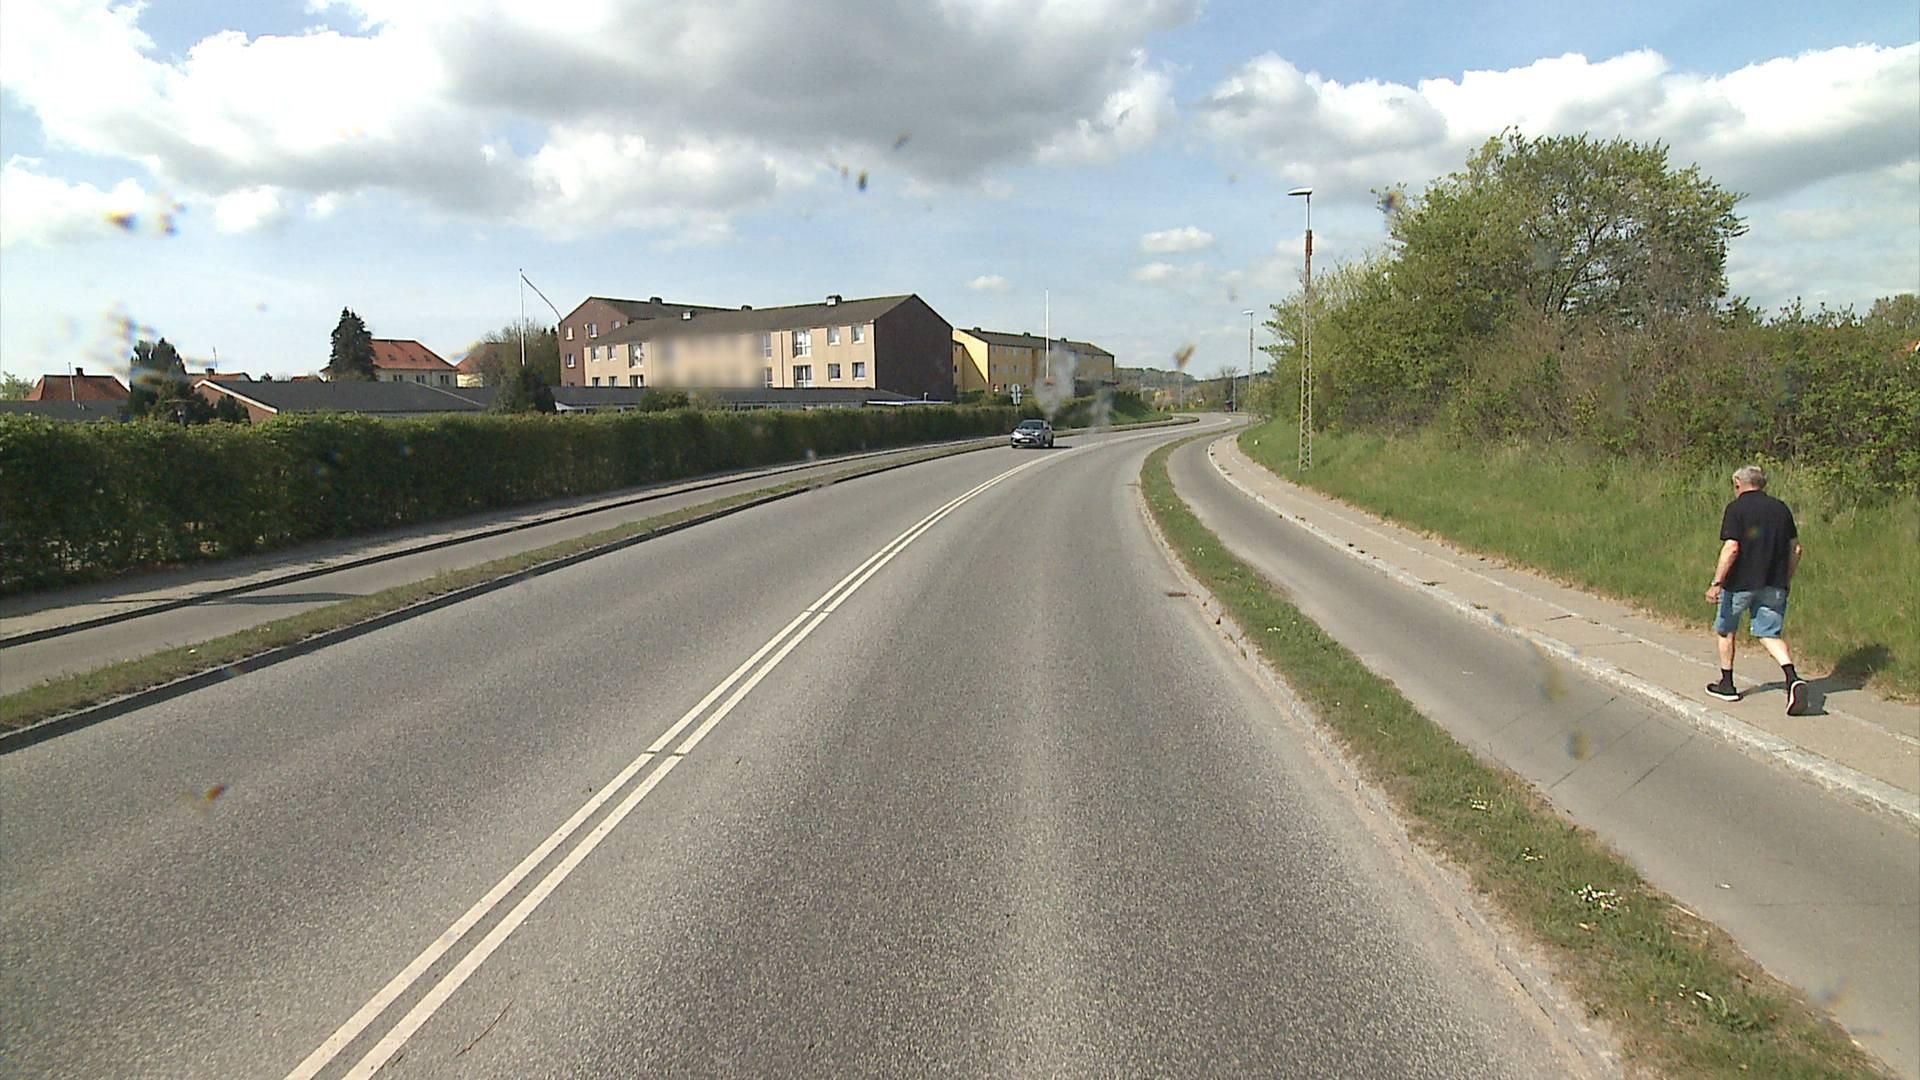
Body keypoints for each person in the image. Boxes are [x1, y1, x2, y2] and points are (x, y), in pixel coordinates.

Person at [1705, 464, 1807, 714]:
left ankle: (1727, 684)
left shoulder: (1736, 508)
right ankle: (1792, 677)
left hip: (1740, 583)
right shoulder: (1780, 508)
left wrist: (1716, 583)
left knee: (1726, 630)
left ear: (1738, 484)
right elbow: (1796, 549)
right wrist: (1785, 579)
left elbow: (1732, 548)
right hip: (1774, 583)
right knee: (1769, 633)